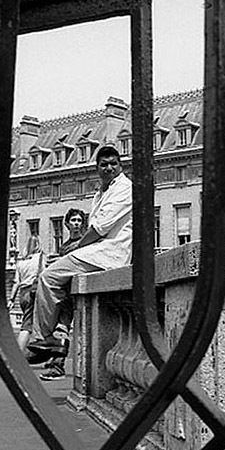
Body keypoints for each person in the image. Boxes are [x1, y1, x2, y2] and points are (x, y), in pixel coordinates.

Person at [27, 145, 132, 365]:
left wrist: (77, 248)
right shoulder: (101, 192)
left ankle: (44, 338)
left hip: (108, 253)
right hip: (98, 252)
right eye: (104, 164)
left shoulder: (124, 187)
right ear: (97, 168)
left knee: (48, 278)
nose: (109, 168)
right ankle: (60, 335)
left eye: (113, 163)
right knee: (60, 284)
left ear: (121, 166)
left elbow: (99, 228)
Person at [39, 208, 87, 381]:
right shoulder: (65, 246)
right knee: (60, 328)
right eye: (73, 220)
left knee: (63, 327)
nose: (76, 223)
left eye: (79, 220)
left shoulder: (85, 243)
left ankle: (57, 365)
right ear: (67, 224)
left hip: (75, 292)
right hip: (63, 292)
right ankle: (55, 361)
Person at [8, 235, 43, 353]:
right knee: (27, 326)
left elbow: (16, 282)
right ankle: (17, 354)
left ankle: (34, 351)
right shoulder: (40, 258)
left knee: (32, 323)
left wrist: (11, 299)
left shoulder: (20, 262)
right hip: (34, 292)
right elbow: (44, 275)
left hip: (22, 295)